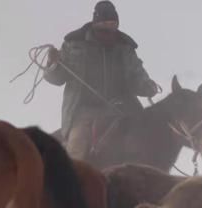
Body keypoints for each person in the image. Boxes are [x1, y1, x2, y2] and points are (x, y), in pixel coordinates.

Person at [44, 1, 158, 160]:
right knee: (76, 151)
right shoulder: (74, 44)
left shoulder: (126, 47)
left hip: (122, 111)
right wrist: (53, 64)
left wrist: (147, 85)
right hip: (84, 113)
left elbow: (136, 74)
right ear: (95, 24)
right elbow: (56, 79)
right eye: (104, 27)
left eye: (112, 26)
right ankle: (72, 181)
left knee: (149, 146)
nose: (109, 32)